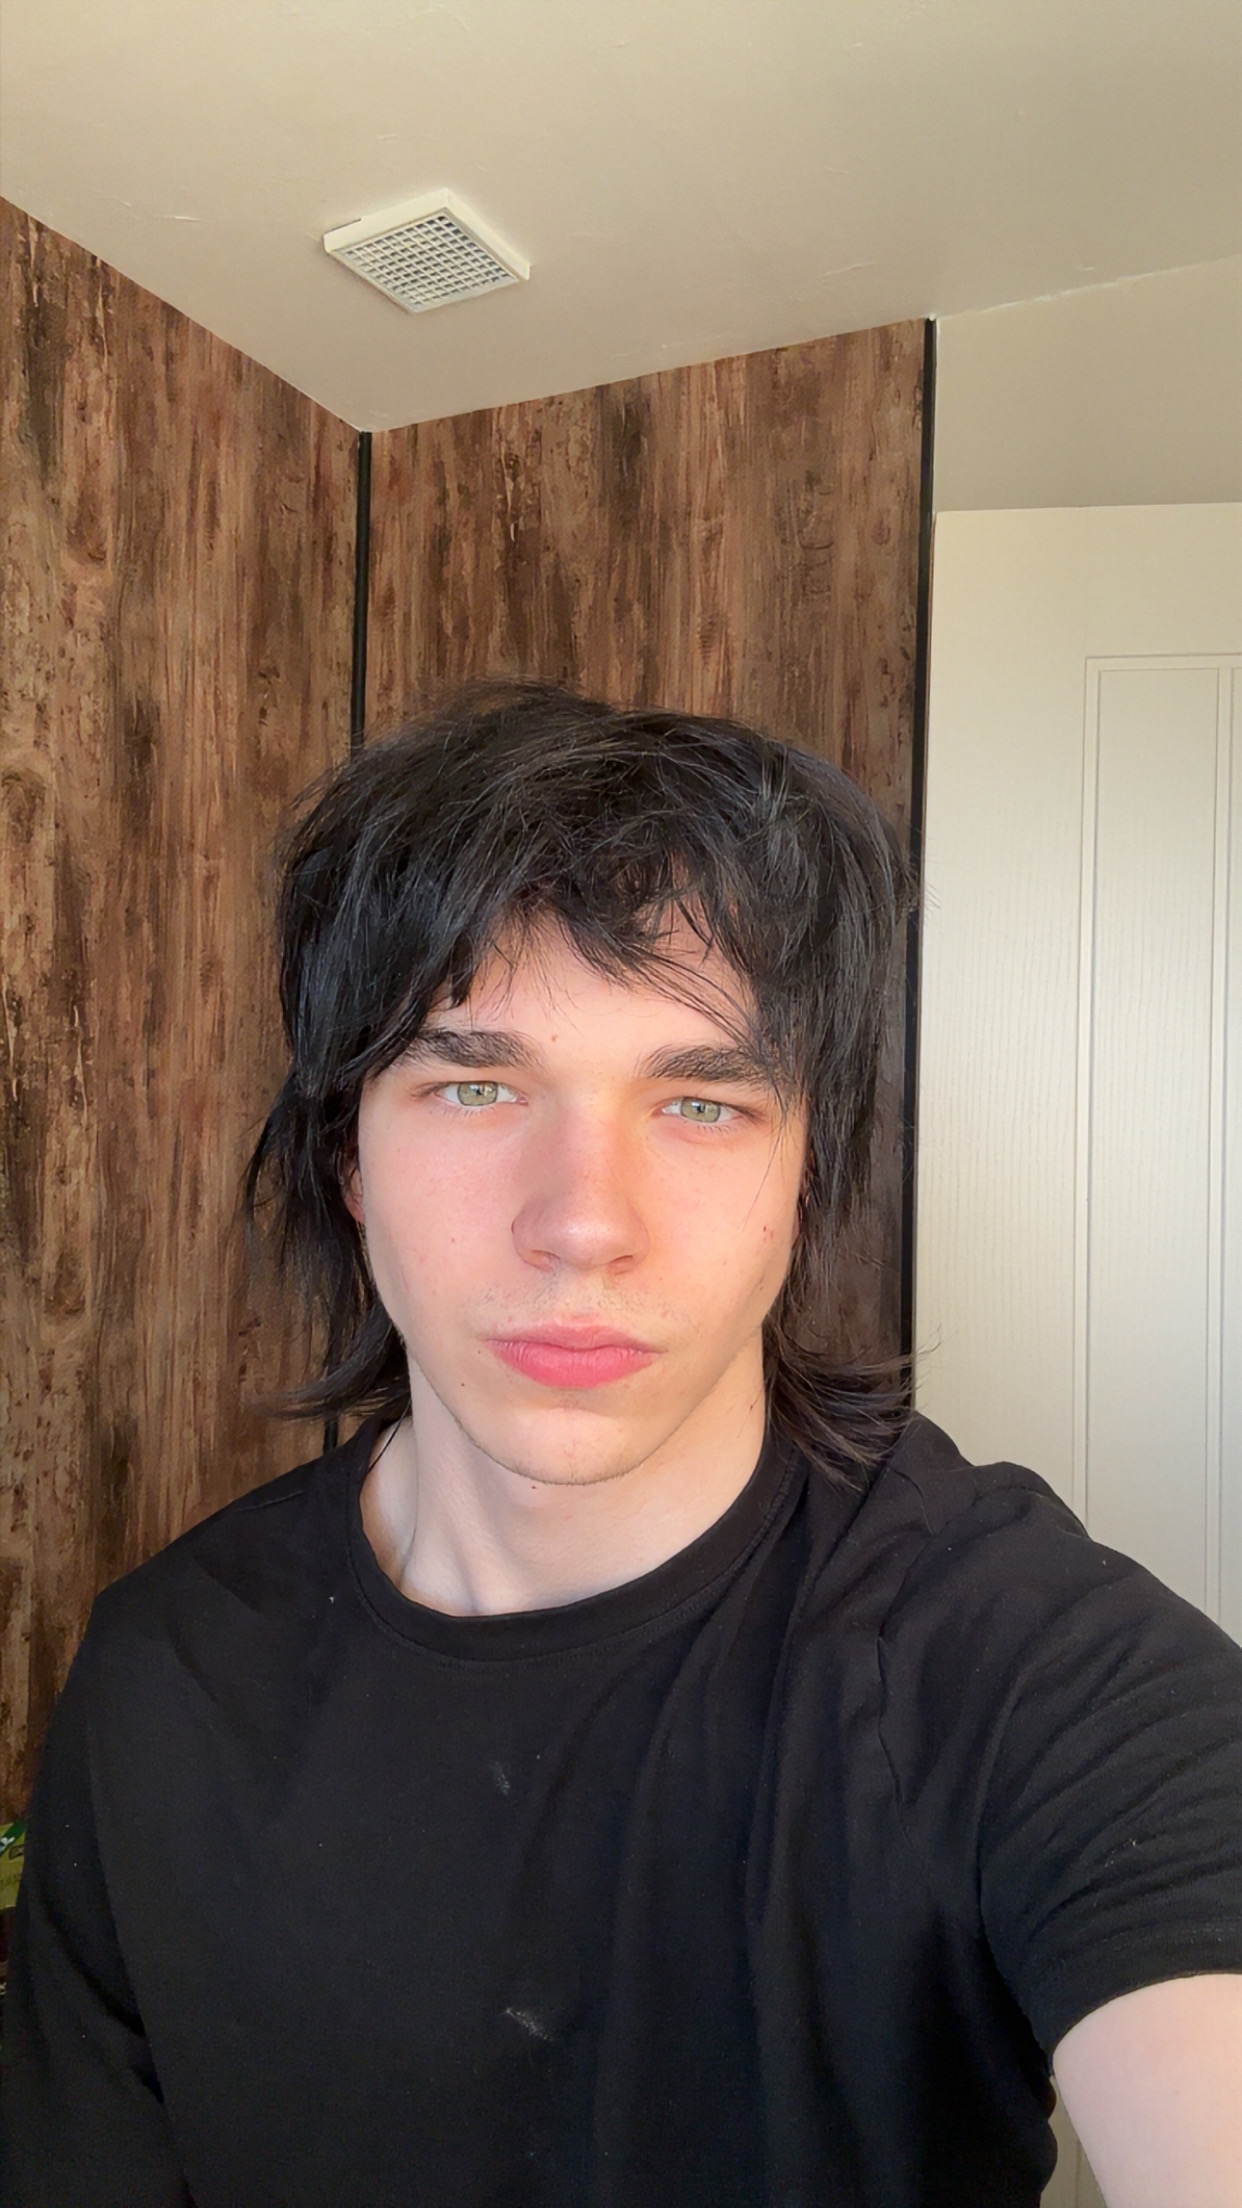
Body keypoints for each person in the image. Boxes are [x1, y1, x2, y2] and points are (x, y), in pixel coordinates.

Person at [1, 681, 1239, 2208]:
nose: (583, 1222)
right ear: (348, 1159)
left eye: (702, 1102)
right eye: (474, 1085)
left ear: (807, 1171)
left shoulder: (1029, 1668)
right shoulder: (162, 1676)